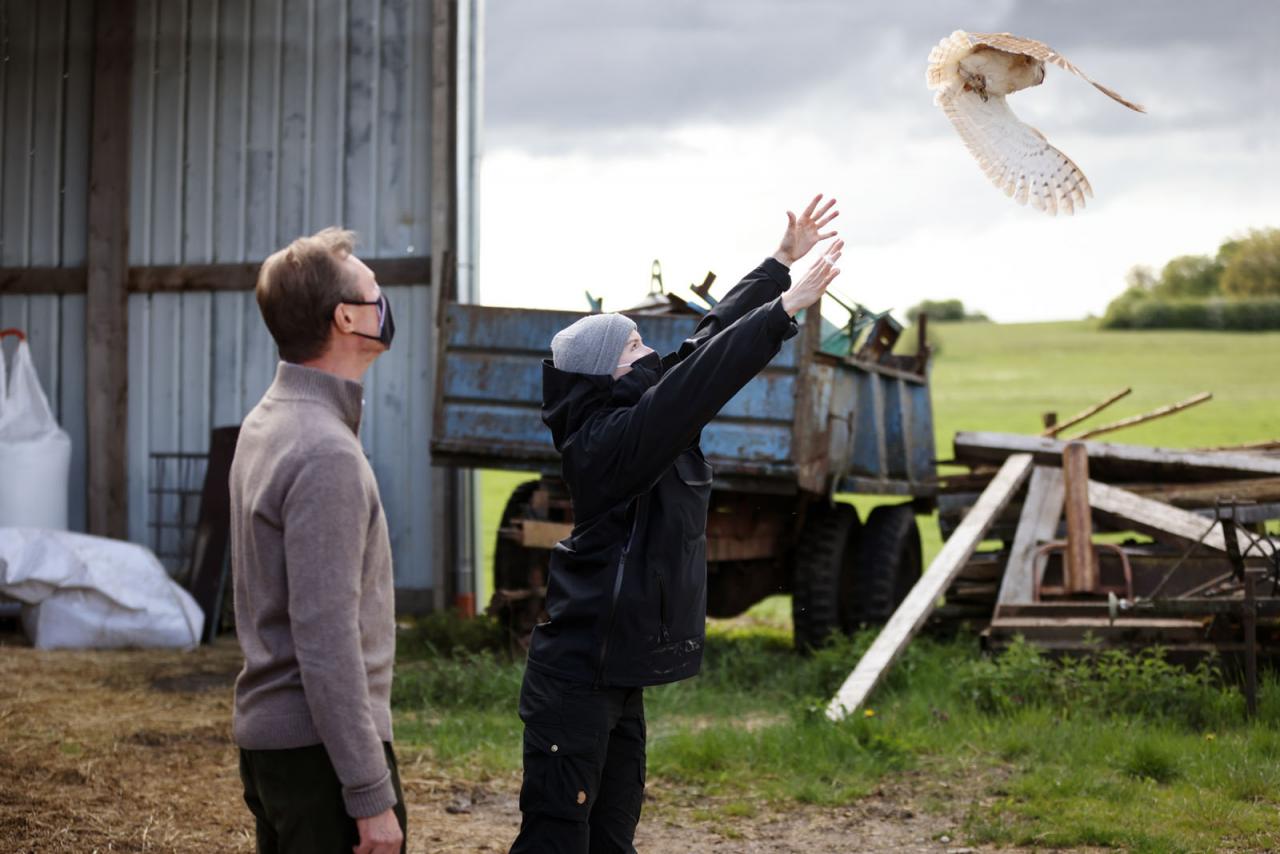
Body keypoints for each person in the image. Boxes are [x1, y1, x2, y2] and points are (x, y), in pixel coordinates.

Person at [511, 196, 843, 853]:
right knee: (556, 841)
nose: (653, 347)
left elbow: (704, 341)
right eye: (636, 343)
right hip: (577, 679)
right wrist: (785, 312)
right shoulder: (609, 441)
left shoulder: (633, 406)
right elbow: (702, 380)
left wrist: (777, 265)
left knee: (611, 839)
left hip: (615, 674)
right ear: (609, 369)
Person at [230, 227, 407, 854]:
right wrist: (369, 792)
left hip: (278, 749)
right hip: (321, 758)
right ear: (346, 317)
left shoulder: (268, 420)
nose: (384, 305)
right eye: (374, 293)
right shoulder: (323, 451)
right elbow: (326, 641)